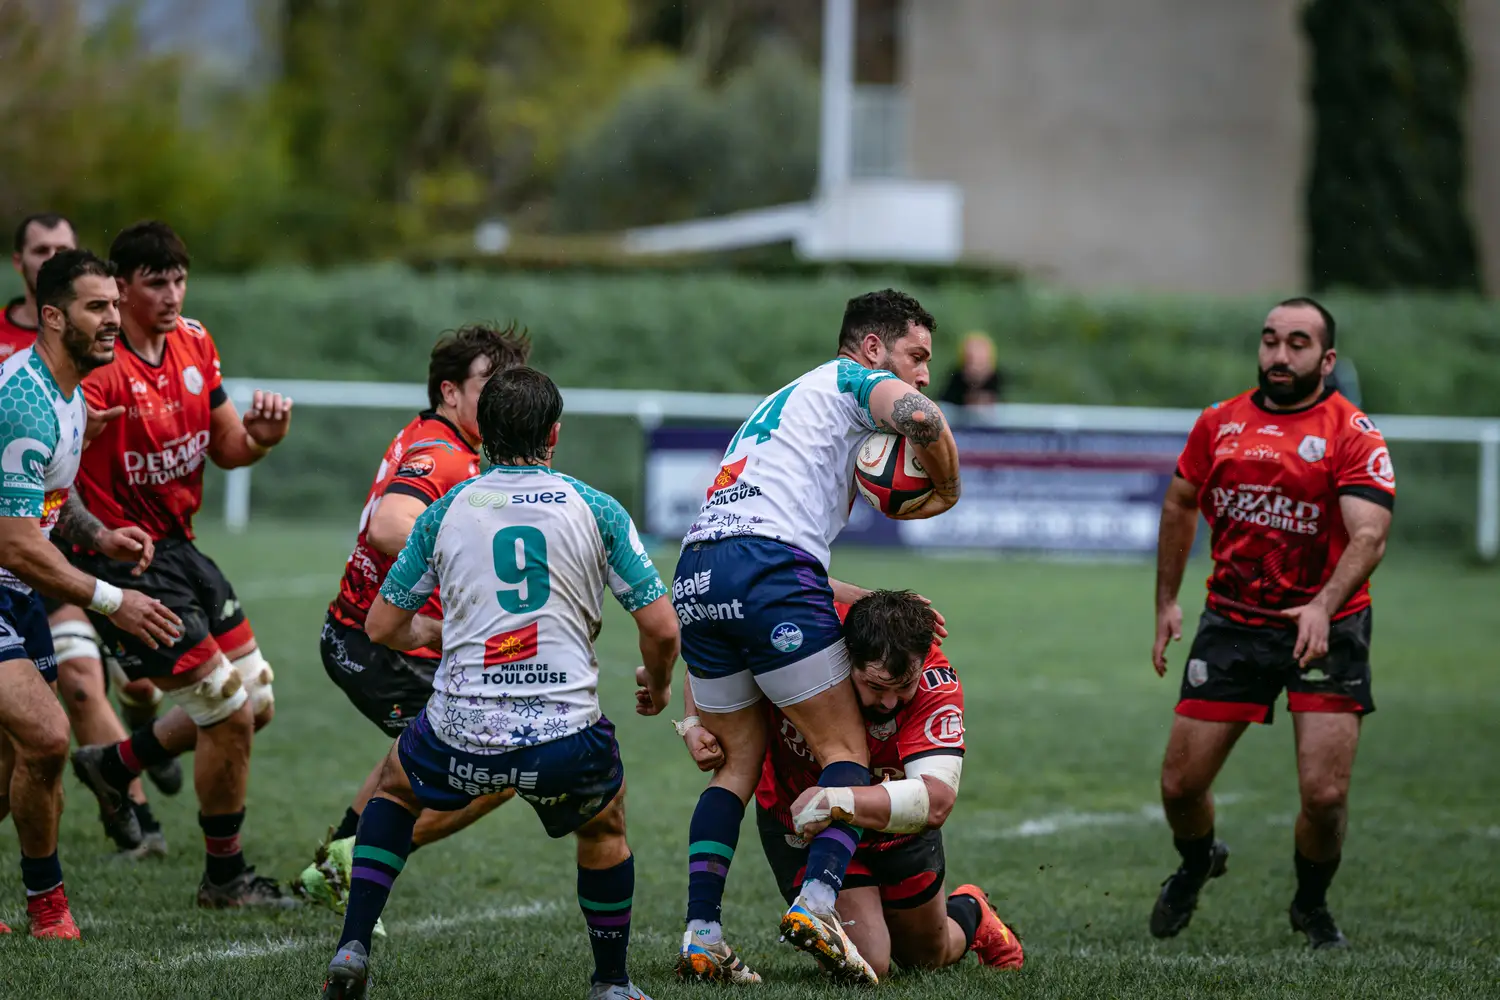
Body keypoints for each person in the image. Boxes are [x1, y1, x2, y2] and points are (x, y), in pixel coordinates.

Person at [318, 366, 677, 1000]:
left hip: (459, 729)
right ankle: (612, 983)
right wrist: (659, 681)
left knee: (395, 791)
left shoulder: (444, 511)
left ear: (482, 434)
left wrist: (433, 634)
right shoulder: (597, 509)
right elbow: (662, 628)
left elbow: (380, 626)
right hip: (563, 735)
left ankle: (353, 945)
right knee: (604, 824)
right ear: (554, 434)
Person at [670, 289, 961, 986]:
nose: (923, 374)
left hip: (698, 571)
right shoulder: (852, 381)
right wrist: (948, 488)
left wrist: (859, 597)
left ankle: (702, 934)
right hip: (770, 571)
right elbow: (923, 419)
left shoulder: (785, 402)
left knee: (734, 767)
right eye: (916, 355)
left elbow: (756, 543)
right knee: (846, 752)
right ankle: (818, 902)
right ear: (872, 348)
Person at [1150, 297, 1395, 950]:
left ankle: (1310, 905)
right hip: (1234, 623)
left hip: (1328, 628)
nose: (1279, 355)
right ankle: (1197, 862)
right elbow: (1179, 502)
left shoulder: (1352, 432)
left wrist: (1322, 605)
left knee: (1324, 795)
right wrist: (1166, 602)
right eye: (1269, 340)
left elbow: (1369, 535)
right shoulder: (1220, 422)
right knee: (1180, 786)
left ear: (1327, 359)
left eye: (1297, 343)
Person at [66, 221, 295, 907]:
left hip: (181, 547)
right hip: (123, 557)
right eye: (155, 283)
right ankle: (225, 878)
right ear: (121, 287)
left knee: (255, 701)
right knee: (226, 710)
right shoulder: (97, 367)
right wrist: (94, 535)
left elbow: (228, 447)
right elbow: (53, 470)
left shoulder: (195, 341)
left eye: (179, 280)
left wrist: (261, 440)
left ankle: (115, 763)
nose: (171, 295)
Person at [292, 323, 532, 916]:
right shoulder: (442, 453)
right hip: (380, 646)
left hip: (375, 638)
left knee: (410, 756)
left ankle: (334, 865)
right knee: (505, 765)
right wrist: (469, 553)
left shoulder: (435, 436)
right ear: (450, 391)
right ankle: (355, 862)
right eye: (489, 383)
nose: (501, 396)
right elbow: (389, 525)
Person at [680, 589, 1023, 980]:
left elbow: (938, 800)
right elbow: (716, 646)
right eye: (875, 686)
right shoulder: (808, 642)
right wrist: (691, 721)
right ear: (845, 656)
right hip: (802, 824)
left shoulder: (935, 682)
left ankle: (973, 910)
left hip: (893, 825)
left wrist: (834, 799)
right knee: (870, 961)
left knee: (927, 956)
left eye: (903, 687)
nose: (889, 703)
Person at [0, 249, 182, 937]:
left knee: (14, 760)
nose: (114, 319)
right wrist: (114, 601)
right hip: (7, 574)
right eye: (96, 307)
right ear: (53, 316)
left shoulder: (71, 393)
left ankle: (43, 903)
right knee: (48, 738)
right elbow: (15, 543)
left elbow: (52, 499)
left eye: (114, 305)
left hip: (17, 591)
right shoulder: (22, 400)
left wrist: (99, 535)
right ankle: (48, 906)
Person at [2, 214, 77, 361]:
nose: (53, 258)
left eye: (63, 251)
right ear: (18, 262)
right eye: (41, 251)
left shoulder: (101, 333)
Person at [936, 331, 1003, 409]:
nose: (976, 367)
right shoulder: (956, 378)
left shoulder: (998, 379)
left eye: (980, 361)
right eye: (971, 361)